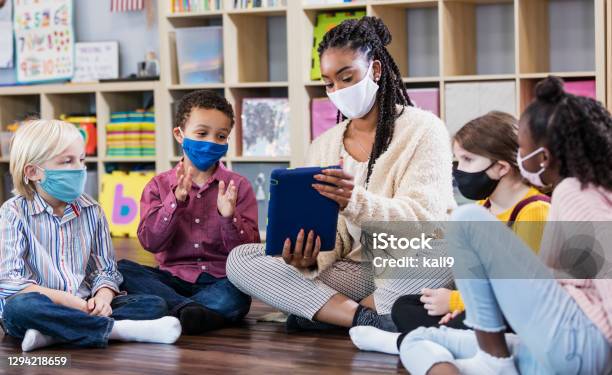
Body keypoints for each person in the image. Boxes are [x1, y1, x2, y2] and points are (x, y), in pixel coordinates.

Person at [226, 16, 456, 332]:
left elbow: (421, 222)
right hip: (355, 270)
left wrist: (354, 201)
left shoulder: (423, 129)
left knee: (455, 243)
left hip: (409, 262)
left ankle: (324, 312)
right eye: (329, 83)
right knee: (240, 260)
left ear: (375, 70)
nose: (338, 90)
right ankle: (366, 319)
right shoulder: (324, 145)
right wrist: (307, 258)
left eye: (347, 78)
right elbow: (334, 240)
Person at [398, 77, 612, 375]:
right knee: (417, 339)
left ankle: (493, 362)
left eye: (523, 150)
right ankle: (487, 362)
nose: (519, 158)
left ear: (544, 157)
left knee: (465, 219)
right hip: (566, 346)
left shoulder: (575, 193)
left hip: (580, 343)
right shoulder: (584, 190)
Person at [351, 111, 552, 354]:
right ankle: (446, 341)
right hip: (482, 305)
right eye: (457, 161)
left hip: (520, 311)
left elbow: (521, 291)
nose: (458, 170)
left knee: (482, 320)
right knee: (404, 306)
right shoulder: (482, 208)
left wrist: (456, 302)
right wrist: (458, 305)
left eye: (467, 160)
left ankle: (412, 343)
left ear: (500, 167)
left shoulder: (534, 211)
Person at [0, 120, 181, 352]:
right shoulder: (13, 212)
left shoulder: (92, 210)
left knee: (154, 305)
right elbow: (9, 281)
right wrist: (68, 301)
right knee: (20, 309)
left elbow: (105, 270)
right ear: (33, 172)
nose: (79, 168)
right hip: (41, 305)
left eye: (82, 160)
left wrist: (103, 298)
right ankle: (118, 331)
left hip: (85, 304)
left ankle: (53, 334)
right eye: (67, 161)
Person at [118, 90, 258, 334]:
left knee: (237, 295)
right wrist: (175, 202)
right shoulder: (158, 186)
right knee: (122, 269)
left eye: (221, 136)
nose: (211, 142)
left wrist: (229, 217)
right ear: (179, 135)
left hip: (220, 281)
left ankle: (172, 311)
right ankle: (194, 312)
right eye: (202, 133)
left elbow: (248, 252)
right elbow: (150, 242)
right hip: (171, 280)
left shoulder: (238, 186)